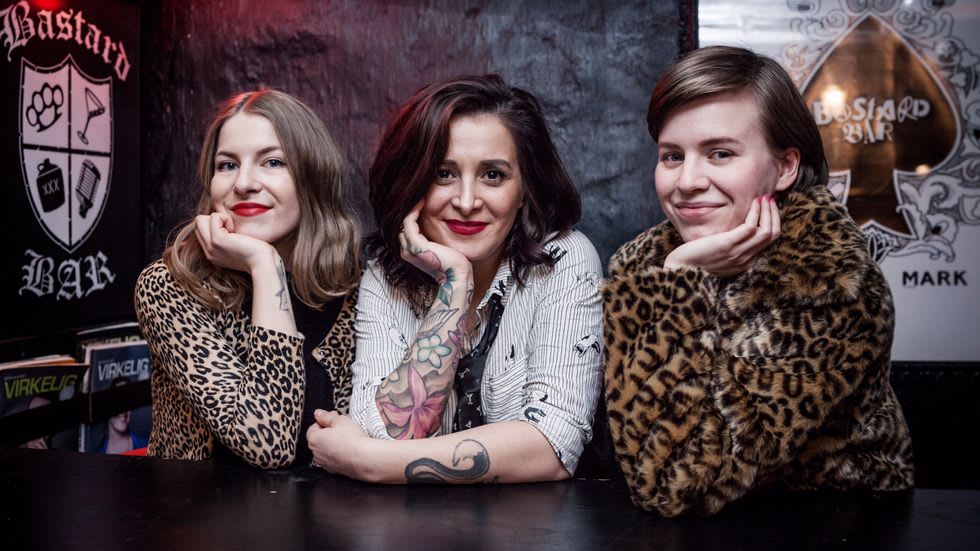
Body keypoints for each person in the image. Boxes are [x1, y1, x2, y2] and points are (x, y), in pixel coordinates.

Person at [603, 46, 914, 516]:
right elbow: (638, 459)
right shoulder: (644, 264)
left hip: (837, 519)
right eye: (672, 156)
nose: (687, 181)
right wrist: (676, 277)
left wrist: (677, 285)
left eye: (720, 153)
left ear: (785, 166)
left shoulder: (830, 278)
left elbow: (676, 484)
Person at [307, 75, 603, 483]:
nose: (466, 202)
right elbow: (388, 431)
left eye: (493, 175)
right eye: (443, 173)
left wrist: (368, 461)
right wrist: (455, 283)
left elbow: (552, 447)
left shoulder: (563, 260)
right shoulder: (384, 275)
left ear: (525, 189)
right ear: (413, 182)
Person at [135, 90, 360, 469]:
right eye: (227, 165)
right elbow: (267, 443)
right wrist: (264, 264)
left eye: (272, 162)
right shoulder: (169, 286)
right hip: (199, 505)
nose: (243, 183)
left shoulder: (353, 287)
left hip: (333, 506)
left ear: (313, 175)